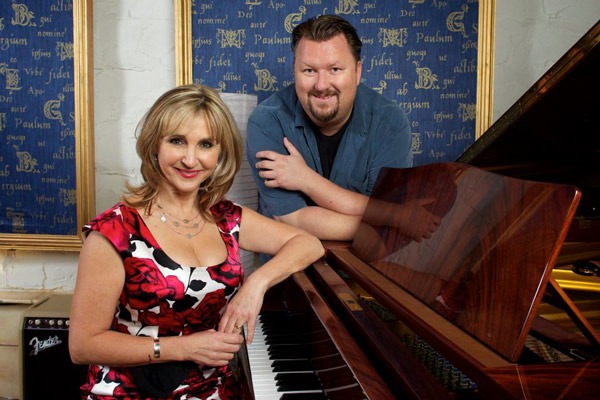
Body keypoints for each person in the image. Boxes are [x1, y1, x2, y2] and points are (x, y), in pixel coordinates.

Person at [68, 84, 324, 399]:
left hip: (215, 388)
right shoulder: (114, 231)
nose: (191, 160)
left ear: (220, 153)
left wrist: (255, 285)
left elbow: (309, 243)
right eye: (177, 141)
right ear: (155, 145)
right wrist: (185, 347)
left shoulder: (228, 219)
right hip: (131, 392)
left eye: (205, 144)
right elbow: (82, 345)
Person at [247, 14, 413, 241]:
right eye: (309, 71)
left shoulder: (391, 123)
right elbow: (292, 218)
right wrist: (384, 223)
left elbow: (387, 209)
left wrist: (306, 179)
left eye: (335, 69)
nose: (322, 85)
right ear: (294, 71)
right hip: (290, 270)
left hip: (366, 266)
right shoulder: (266, 122)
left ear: (358, 72)